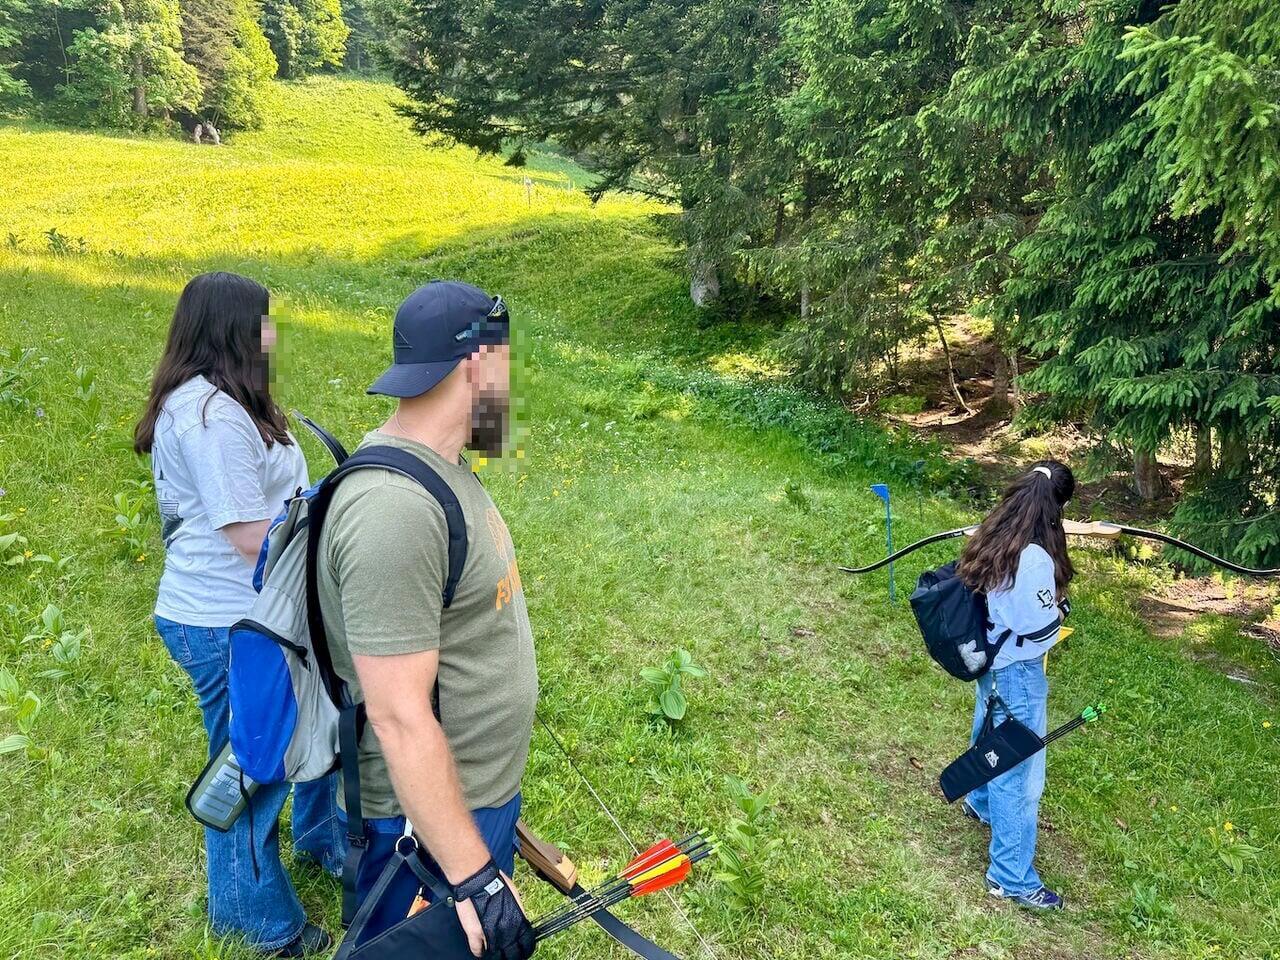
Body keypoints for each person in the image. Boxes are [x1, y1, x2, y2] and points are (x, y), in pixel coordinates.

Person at [316, 280, 538, 958]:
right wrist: (476, 875)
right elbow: (397, 716)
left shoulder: (445, 468)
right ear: (477, 365)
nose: (508, 384)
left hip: (473, 796)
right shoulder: (394, 513)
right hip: (423, 826)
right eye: (504, 364)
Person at [134, 272, 343, 956]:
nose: (272, 335)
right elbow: (249, 532)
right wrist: (328, 536)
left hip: (259, 610)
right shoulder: (211, 418)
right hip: (227, 620)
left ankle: (318, 841)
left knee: (308, 726)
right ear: (230, 329)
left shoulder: (225, 402)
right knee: (248, 768)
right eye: (263, 322)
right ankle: (257, 923)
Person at [954, 460, 1075, 911]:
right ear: (1056, 507)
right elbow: (1037, 626)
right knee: (1020, 773)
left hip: (992, 661)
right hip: (1018, 672)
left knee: (990, 735)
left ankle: (980, 802)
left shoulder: (995, 534)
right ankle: (1011, 876)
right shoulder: (1034, 557)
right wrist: (1060, 610)